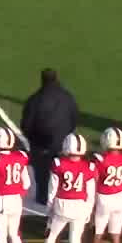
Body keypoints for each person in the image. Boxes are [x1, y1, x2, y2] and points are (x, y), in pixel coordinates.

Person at [21, 68, 79, 202]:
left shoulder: (34, 99)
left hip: (40, 146)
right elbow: (75, 118)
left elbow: (26, 124)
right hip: (62, 144)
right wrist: (66, 138)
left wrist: (33, 140)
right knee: (62, 175)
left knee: (42, 178)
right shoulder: (68, 97)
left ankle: (42, 199)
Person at [43, 134, 95, 243]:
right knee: (75, 241)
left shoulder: (58, 163)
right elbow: (90, 193)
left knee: (50, 237)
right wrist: (88, 211)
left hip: (62, 205)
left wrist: (49, 207)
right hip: (80, 207)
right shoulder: (89, 166)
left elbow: (52, 189)